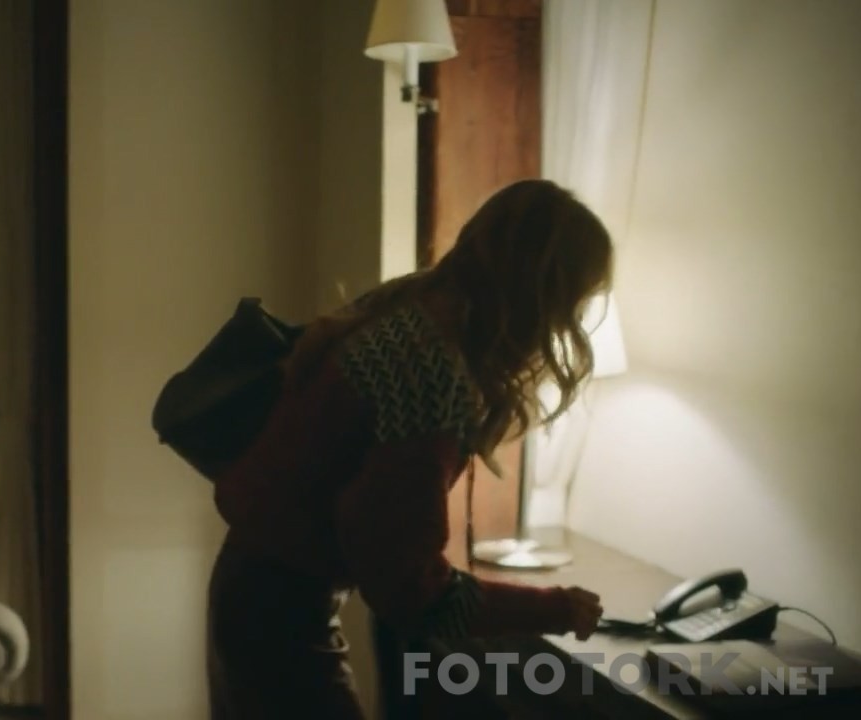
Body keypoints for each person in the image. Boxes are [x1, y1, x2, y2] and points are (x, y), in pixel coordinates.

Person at [206, 179, 611, 718]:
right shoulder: (428, 369)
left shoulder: (410, 308)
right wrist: (555, 608)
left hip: (254, 592)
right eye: (572, 306)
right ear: (541, 298)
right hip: (276, 617)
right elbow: (410, 588)